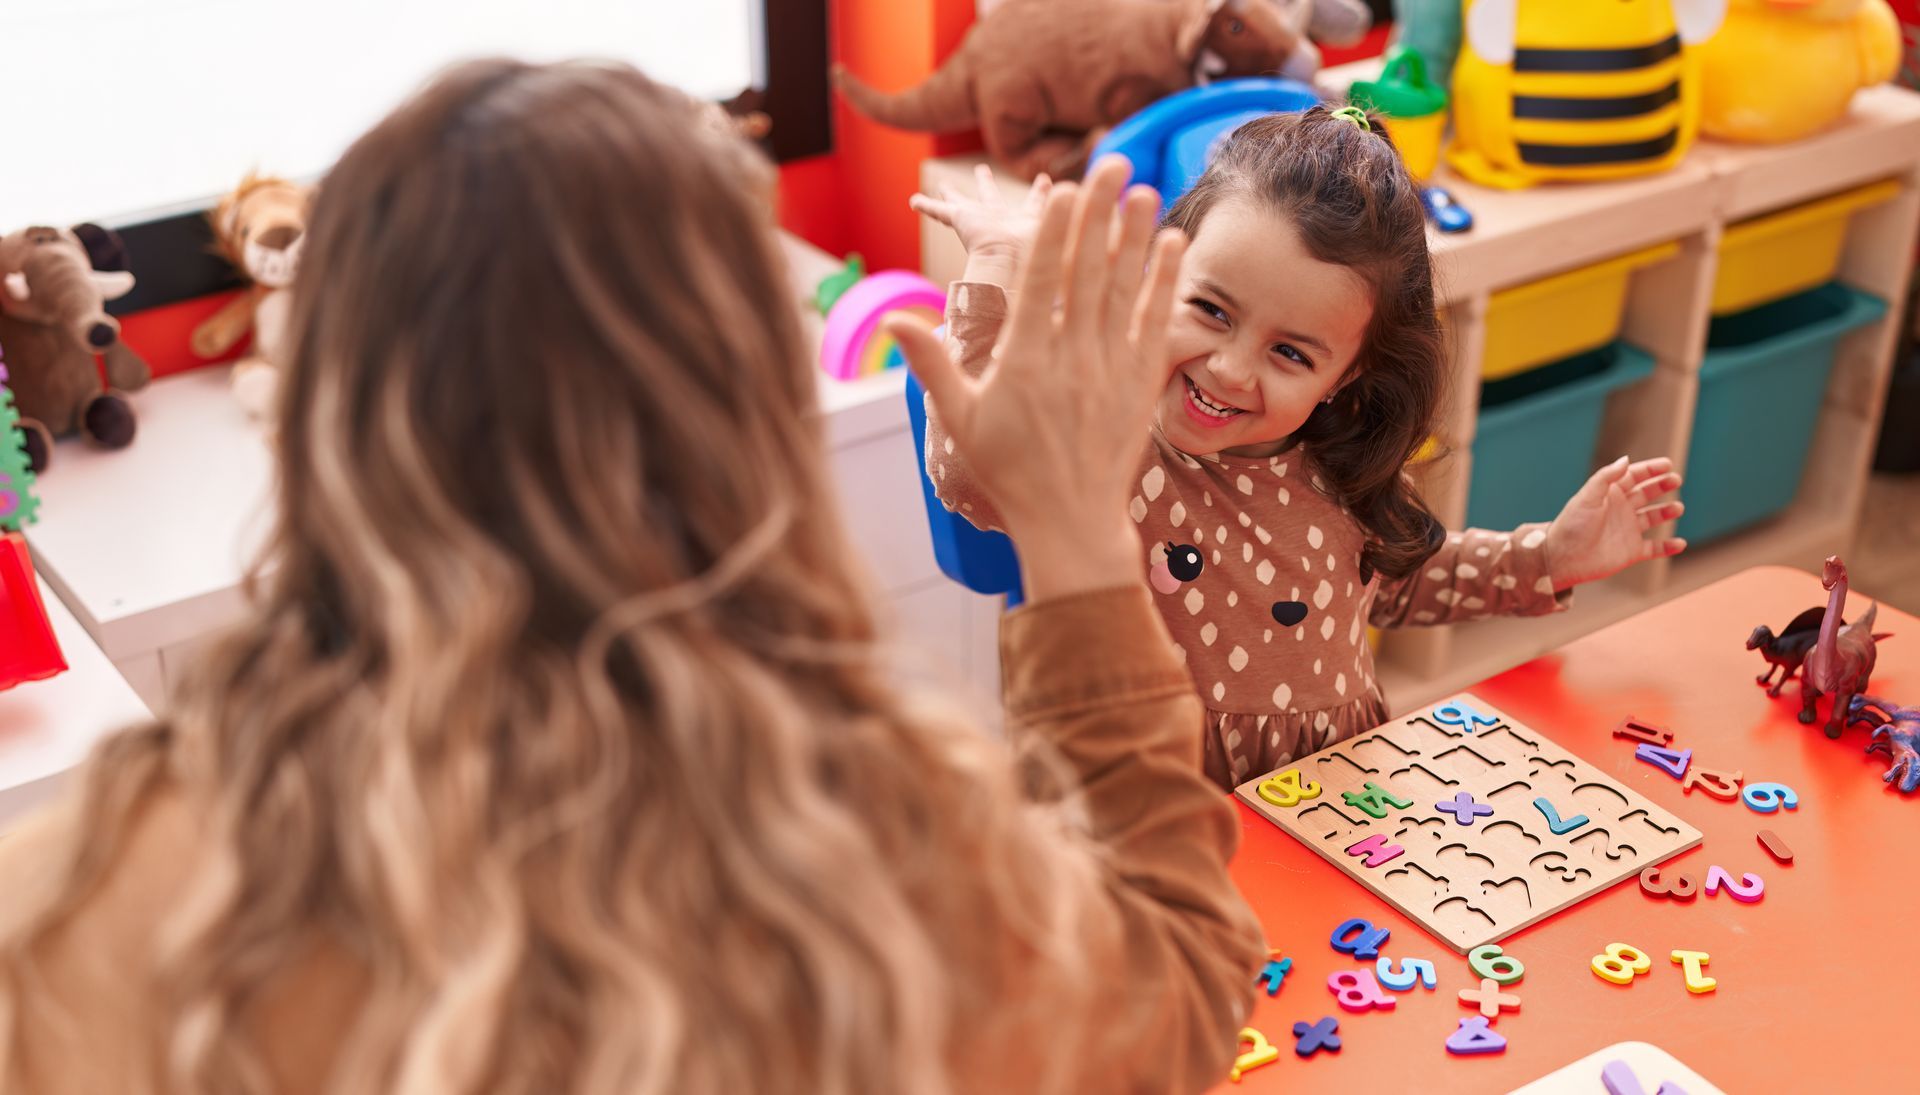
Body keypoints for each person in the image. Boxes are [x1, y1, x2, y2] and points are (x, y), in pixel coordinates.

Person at [0, 60, 1264, 1094]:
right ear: (744, 424)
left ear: (331, 415)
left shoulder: (76, 901)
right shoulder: (895, 856)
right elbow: (1180, 992)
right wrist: (1073, 533)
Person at [917, 106, 1689, 790]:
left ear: (1345, 376)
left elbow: (1398, 582)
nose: (1230, 368)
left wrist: (1548, 556)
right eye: (1211, 310)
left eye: (1290, 353)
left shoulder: (1342, 462)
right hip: (1149, 823)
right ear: (1161, 276)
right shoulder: (1108, 446)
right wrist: (996, 269)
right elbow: (973, 469)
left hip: (1332, 807)